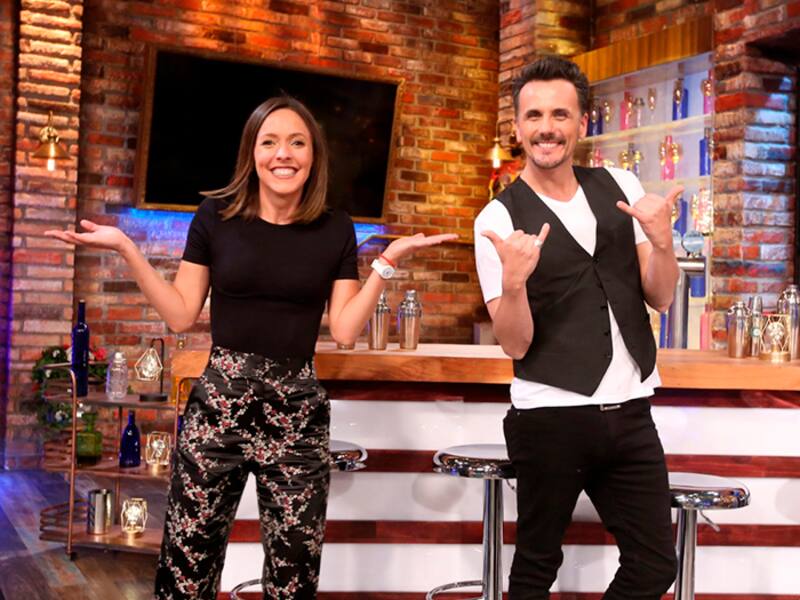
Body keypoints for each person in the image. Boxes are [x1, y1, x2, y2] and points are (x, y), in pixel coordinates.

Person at [47, 95, 456, 599]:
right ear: (252, 153)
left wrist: (386, 262)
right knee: (187, 566)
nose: (283, 154)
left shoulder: (335, 227)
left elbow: (346, 329)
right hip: (218, 407)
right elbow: (180, 314)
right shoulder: (215, 216)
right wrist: (127, 249)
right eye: (269, 142)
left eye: (297, 143)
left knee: (294, 575)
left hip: (297, 415)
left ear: (314, 156)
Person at [474, 56, 680, 598]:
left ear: (582, 123)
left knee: (655, 565)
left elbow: (660, 295)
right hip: (550, 415)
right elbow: (515, 343)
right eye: (534, 115)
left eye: (560, 114)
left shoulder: (621, 184)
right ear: (517, 127)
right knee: (536, 570)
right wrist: (514, 284)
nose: (547, 128)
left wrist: (662, 243)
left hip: (630, 410)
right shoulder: (497, 218)